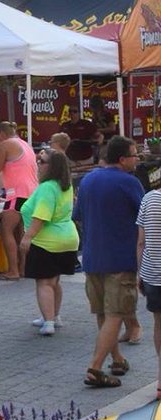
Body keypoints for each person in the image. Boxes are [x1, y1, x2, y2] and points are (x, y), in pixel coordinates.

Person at [73, 135, 142, 386]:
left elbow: (77, 215)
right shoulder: (129, 182)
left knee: (103, 313)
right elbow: (143, 219)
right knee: (117, 313)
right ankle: (95, 368)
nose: (138, 159)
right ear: (123, 159)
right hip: (120, 259)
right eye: (135, 155)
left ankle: (117, 359)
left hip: (92, 257)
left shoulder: (89, 179)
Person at [20, 150, 80, 336]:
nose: (38, 163)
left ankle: (48, 321)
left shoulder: (47, 188)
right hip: (67, 239)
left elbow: (41, 216)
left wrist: (27, 237)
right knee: (54, 281)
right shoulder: (65, 185)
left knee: (44, 282)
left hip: (47, 241)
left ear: (52, 166)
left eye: (42, 161)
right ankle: (53, 315)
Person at [0, 120, 38, 281]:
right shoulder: (25, 144)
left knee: (6, 230)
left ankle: (13, 270)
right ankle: (24, 267)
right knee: (22, 231)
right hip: (31, 192)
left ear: (1, 134)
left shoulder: (5, 145)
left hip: (16, 193)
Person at [136, 187, 161, 401]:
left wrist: (139, 272)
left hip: (153, 272)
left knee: (159, 324)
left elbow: (141, 241)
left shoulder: (149, 198)